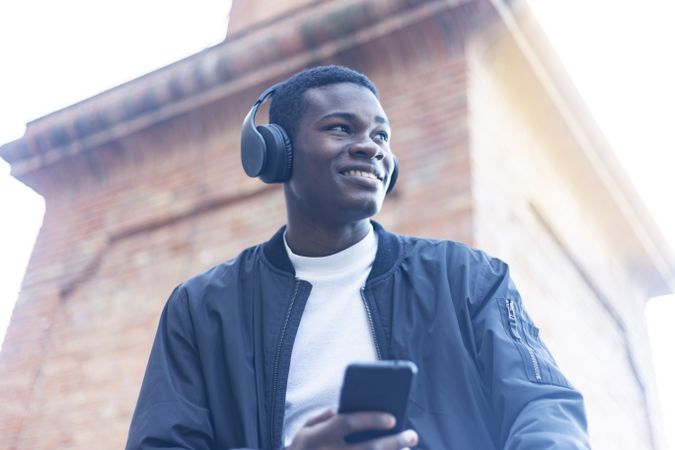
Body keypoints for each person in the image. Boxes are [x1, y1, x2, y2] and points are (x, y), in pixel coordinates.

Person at [126, 65, 590, 450]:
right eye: (340, 128)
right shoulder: (200, 308)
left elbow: (544, 406)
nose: (370, 146)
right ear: (276, 153)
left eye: (381, 136)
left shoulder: (467, 278)